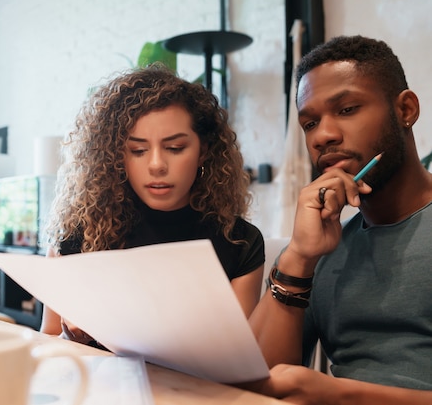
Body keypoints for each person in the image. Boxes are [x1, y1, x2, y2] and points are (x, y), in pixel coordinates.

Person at [247, 35, 432, 404]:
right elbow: (252, 382)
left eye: (347, 109)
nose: (324, 136)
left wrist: (341, 395)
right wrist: (299, 256)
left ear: (406, 109)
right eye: (310, 122)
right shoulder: (327, 248)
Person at [40, 64, 265, 345]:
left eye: (175, 148)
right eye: (138, 150)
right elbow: (49, 340)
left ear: (203, 151)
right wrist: (72, 336)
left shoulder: (239, 241)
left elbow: (240, 355)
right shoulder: (79, 235)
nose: (157, 165)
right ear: (116, 157)